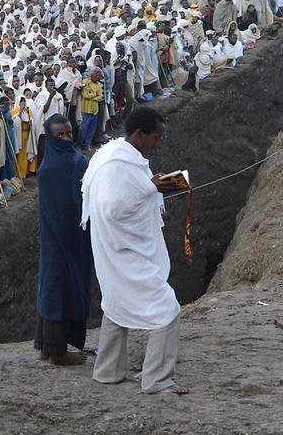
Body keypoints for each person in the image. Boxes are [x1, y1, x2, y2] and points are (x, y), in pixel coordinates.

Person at [81, 107, 187, 395]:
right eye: (156, 136)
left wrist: (151, 187)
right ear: (139, 134)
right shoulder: (115, 162)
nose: (158, 142)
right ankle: (158, 380)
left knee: (116, 303)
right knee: (167, 309)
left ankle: (108, 371)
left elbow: (129, 195)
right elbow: (110, 208)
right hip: (122, 249)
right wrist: (148, 188)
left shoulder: (118, 154)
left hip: (118, 247)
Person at [35, 115, 92, 365]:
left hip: (50, 237)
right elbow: (81, 201)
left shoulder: (46, 164)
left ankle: (46, 346)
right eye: (60, 135)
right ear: (50, 137)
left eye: (69, 133)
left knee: (50, 287)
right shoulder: (75, 162)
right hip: (70, 237)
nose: (67, 138)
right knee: (62, 290)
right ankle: (58, 351)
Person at [78, 67, 103, 150]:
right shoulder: (85, 82)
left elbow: (100, 97)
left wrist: (92, 96)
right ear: (93, 75)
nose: (99, 78)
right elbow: (85, 95)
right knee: (83, 129)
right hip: (86, 110)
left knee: (92, 129)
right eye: (99, 76)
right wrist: (95, 95)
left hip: (95, 110)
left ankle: (87, 145)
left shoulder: (99, 84)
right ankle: (81, 145)